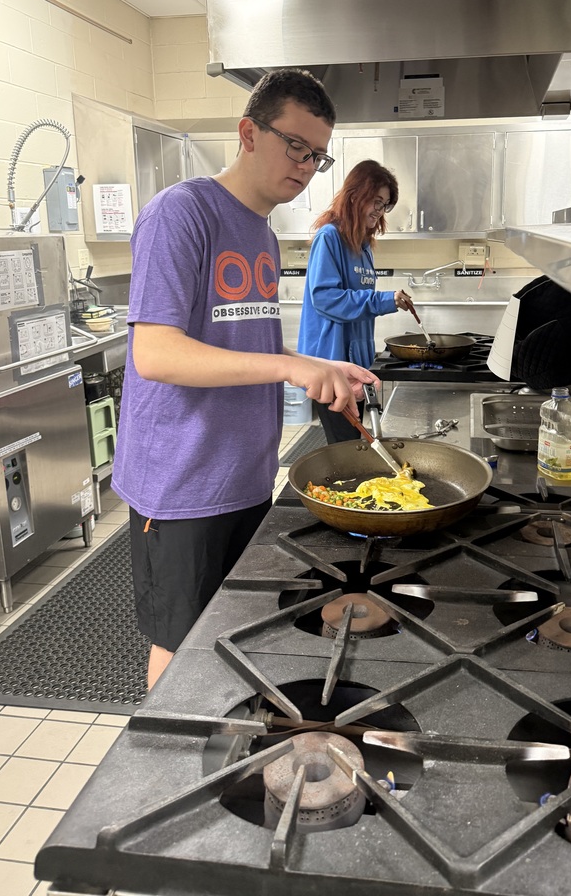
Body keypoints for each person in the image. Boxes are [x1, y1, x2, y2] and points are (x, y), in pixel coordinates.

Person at [111, 69, 378, 689]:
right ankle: (170, 779)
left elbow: (237, 341)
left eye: (318, 155)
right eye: (296, 146)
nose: (308, 165)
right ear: (247, 133)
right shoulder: (181, 214)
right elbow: (155, 353)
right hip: (182, 483)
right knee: (178, 653)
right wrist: (290, 364)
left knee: (231, 636)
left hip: (246, 474)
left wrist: (317, 364)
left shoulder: (260, 231)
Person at [297, 159, 412, 443]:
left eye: (385, 204)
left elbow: (359, 306)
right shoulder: (330, 237)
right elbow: (326, 299)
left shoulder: (363, 247)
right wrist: (385, 300)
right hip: (331, 363)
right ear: (354, 195)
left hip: (356, 362)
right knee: (344, 447)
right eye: (375, 200)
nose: (379, 209)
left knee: (355, 444)